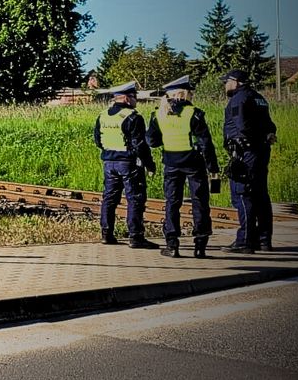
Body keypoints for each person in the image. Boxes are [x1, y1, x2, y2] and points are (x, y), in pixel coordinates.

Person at [147, 76, 220, 258]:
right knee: (199, 203)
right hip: (194, 165)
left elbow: (151, 141)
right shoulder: (194, 113)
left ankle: (172, 246)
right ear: (186, 93)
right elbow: (206, 144)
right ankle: (200, 247)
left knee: (172, 203)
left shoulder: (158, 114)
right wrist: (213, 168)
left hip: (171, 164)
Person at [94, 81, 159, 248]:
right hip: (129, 164)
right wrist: (149, 164)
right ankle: (136, 237)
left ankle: (106, 234)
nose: (136, 100)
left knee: (109, 198)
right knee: (135, 199)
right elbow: (140, 144)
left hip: (109, 163)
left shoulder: (103, 115)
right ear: (126, 98)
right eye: (134, 96)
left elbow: (98, 140)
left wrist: (110, 152)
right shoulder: (133, 117)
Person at [220, 69, 277, 253]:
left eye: (226, 81)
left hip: (245, 153)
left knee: (242, 194)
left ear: (236, 82)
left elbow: (242, 126)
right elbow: (270, 125)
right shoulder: (259, 98)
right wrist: (266, 137)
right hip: (260, 152)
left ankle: (245, 241)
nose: (225, 85)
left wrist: (241, 146)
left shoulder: (238, 99)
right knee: (260, 195)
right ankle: (264, 240)